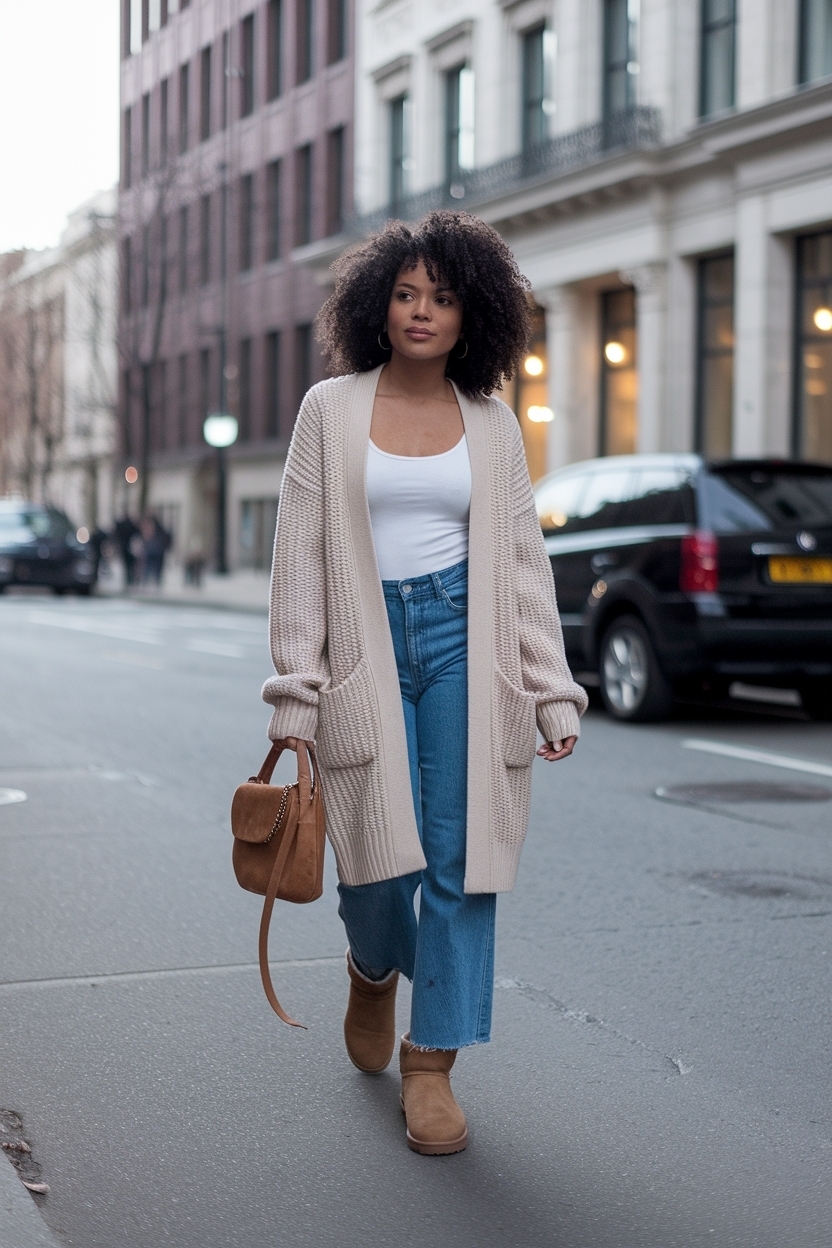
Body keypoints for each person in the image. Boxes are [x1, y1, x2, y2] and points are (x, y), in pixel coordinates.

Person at [261, 211, 588, 1156]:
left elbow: (524, 565)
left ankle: (432, 1059)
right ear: (377, 306)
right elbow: (299, 560)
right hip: (363, 647)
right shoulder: (329, 411)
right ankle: (371, 965)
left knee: (461, 857)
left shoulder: (491, 426)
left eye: (442, 298)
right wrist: (297, 683)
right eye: (405, 294)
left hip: (463, 639)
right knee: (375, 860)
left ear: (471, 315)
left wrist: (551, 686)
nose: (421, 311)